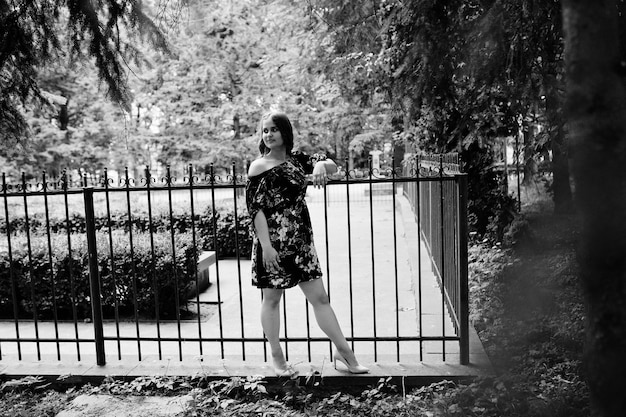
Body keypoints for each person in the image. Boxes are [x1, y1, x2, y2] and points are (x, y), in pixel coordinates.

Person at [246, 111, 369, 377]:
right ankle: (277, 358)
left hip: (301, 243)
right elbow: (255, 210)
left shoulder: (299, 159)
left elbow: (333, 166)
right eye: (265, 130)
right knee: (272, 300)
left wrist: (320, 166)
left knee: (320, 298)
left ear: (285, 132)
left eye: (273, 129)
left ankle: (344, 352)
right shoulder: (258, 166)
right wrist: (266, 246)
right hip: (273, 245)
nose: (268, 134)